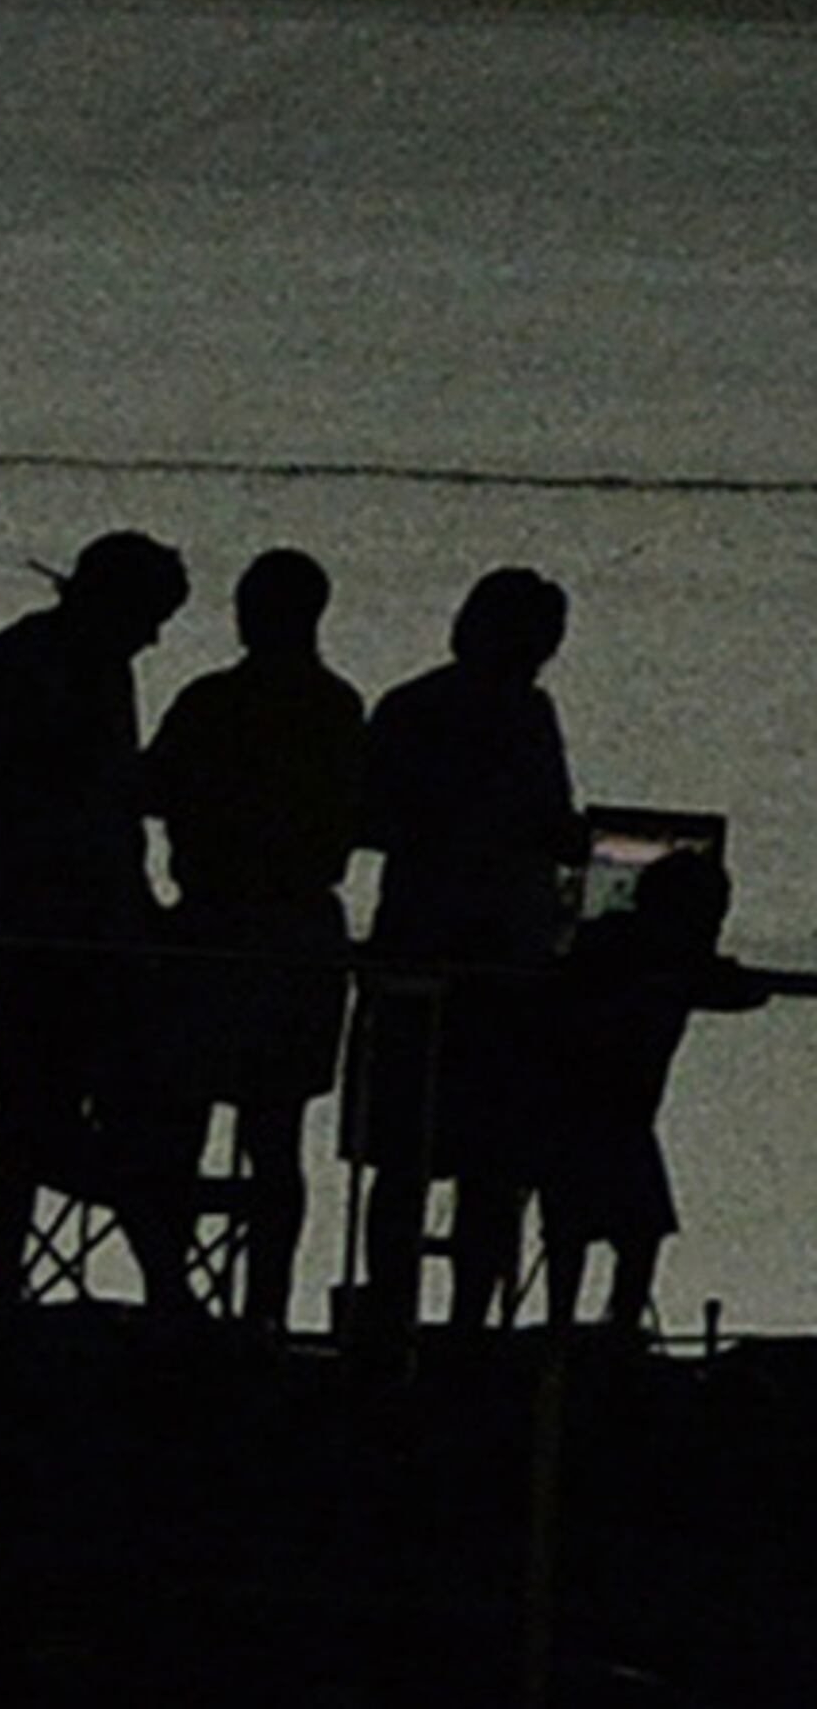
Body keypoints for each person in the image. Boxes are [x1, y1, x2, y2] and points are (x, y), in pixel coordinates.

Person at [0, 530, 192, 1318]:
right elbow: (79, 800)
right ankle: (149, 1283)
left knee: (45, 1113)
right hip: (59, 930)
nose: (154, 637)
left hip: (58, 924)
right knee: (60, 1113)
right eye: (150, 616)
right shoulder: (50, 670)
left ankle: (28, 1287)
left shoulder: (37, 661)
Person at [140, 548, 365, 1333]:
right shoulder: (339, 707)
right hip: (300, 929)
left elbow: (150, 786)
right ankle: (265, 1305)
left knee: (183, 1124)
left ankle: (172, 1291)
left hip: (214, 922)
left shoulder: (210, 701)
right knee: (276, 1136)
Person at [351, 567, 581, 1334]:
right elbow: (551, 824)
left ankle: (393, 1311)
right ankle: (468, 1321)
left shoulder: (412, 707)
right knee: (489, 1163)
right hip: (497, 966)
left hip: (423, 951)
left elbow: (368, 818)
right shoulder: (523, 716)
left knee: (405, 1160)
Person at [537, 851, 769, 1337]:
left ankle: (606, 1330)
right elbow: (738, 992)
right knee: (609, 1231)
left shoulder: (650, 952)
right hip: (586, 1112)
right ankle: (590, 1333)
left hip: (610, 1115)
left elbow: (738, 992)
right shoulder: (626, 949)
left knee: (624, 1232)